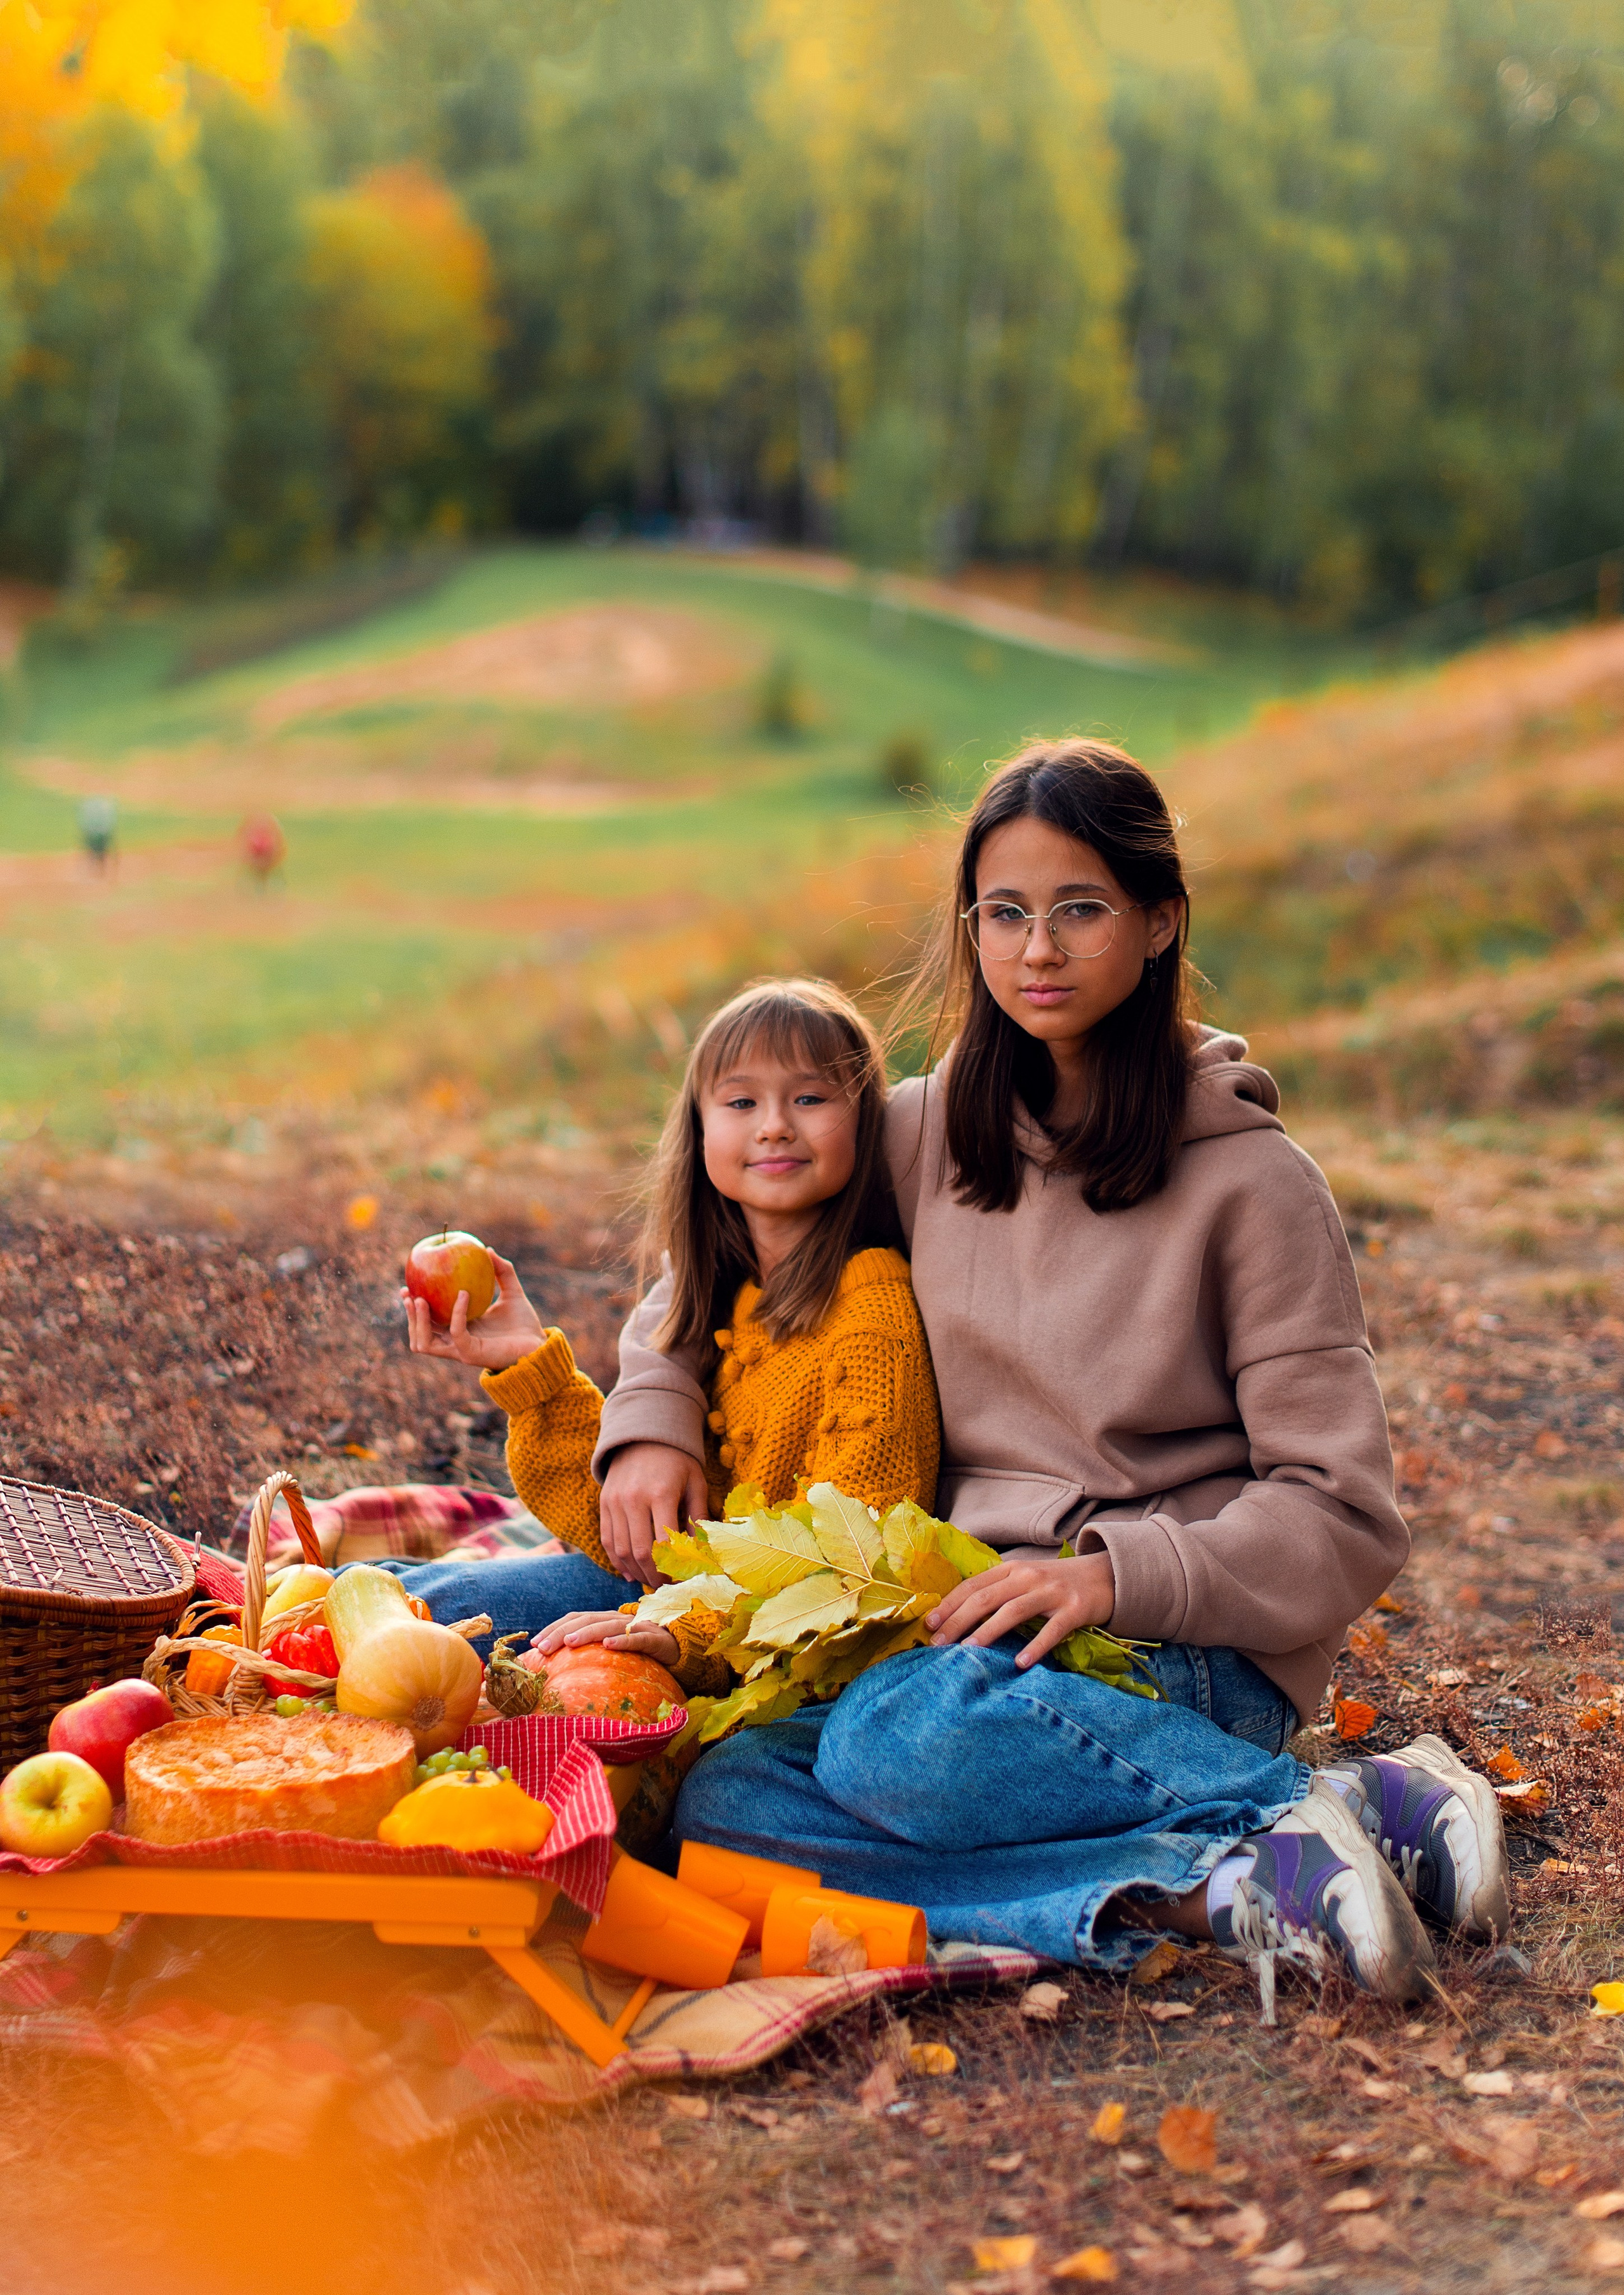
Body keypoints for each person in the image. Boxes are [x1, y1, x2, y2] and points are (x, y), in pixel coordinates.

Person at [591, 742, 1511, 2002]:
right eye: (1003, 914)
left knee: (895, 1735)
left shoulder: (1254, 1186)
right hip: (962, 1634)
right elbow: (729, 1240)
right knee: (726, 1806)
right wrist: (652, 1413)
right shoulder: (927, 1133)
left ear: (1158, 919)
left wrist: (1107, 1576)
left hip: (1174, 1649)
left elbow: (1342, 1518)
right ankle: (1249, 1871)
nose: (1037, 950)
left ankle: (1282, 1798)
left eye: (1079, 909)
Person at [397, 977, 940, 1694]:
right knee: (394, 1595)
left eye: (810, 1098)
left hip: (743, 1654)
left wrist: (680, 1637)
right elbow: (638, 1543)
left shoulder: (872, 1320)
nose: (775, 1125)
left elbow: (846, 1571)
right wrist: (532, 1371)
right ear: (701, 1130)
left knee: (423, 1621)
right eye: (742, 1103)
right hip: (675, 1609)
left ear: (866, 1124)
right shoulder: (731, 1297)